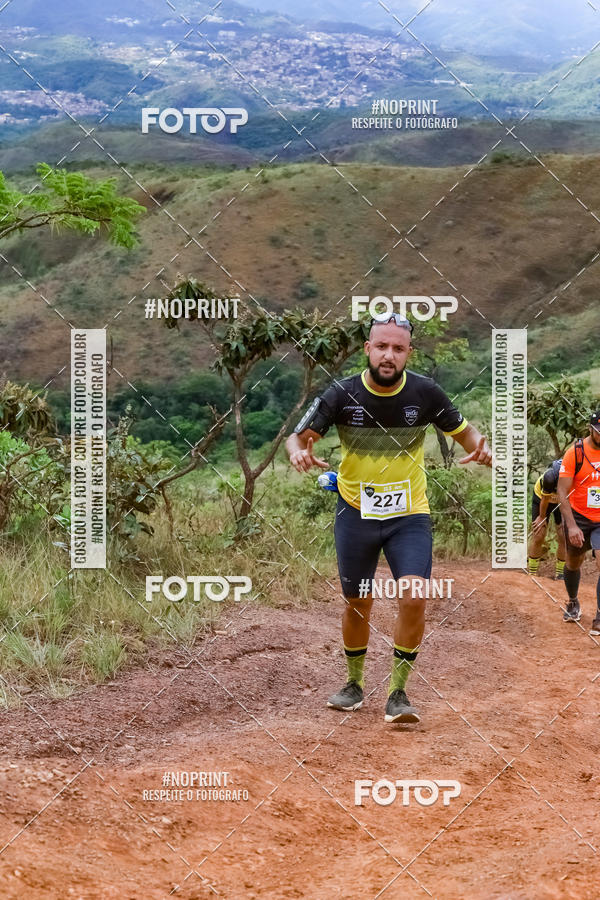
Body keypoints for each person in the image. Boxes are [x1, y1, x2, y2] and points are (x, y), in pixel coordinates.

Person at [285, 314, 492, 724]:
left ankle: (398, 692)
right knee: (358, 601)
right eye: (381, 346)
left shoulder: (425, 392)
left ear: (408, 353)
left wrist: (482, 448)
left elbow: (467, 434)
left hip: (409, 516)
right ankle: (354, 684)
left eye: (398, 348)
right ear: (368, 348)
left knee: (414, 597)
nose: (388, 355)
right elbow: (299, 435)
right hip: (355, 514)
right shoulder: (342, 394)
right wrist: (297, 451)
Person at [557, 411, 600, 633]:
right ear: (590, 429)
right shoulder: (576, 453)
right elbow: (562, 492)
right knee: (574, 562)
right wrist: (572, 525)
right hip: (579, 516)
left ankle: (599, 615)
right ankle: (573, 601)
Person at [527, 458, 566, 580]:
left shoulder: (574, 476)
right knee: (539, 534)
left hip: (561, 501)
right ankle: (532, 572)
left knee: (564, 535)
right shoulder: (549, 477)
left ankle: (560, 574)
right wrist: (541, 517)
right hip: (542, 500)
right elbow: (545, 500)